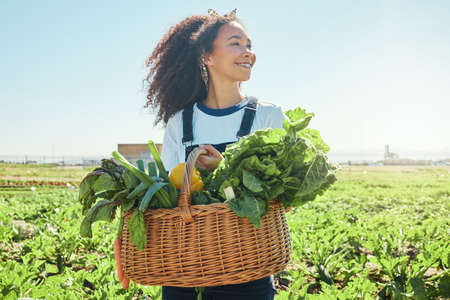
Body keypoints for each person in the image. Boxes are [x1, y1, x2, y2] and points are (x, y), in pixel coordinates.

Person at [144, 8, 285, 300]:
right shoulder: (180, 122)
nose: (248, 52)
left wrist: (224, 170)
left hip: (248, 269)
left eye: (249, 44)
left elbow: (281, 196)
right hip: (182, 270)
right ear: (207, 57)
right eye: (236, 43)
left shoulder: (268, 116)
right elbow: (171, 198)